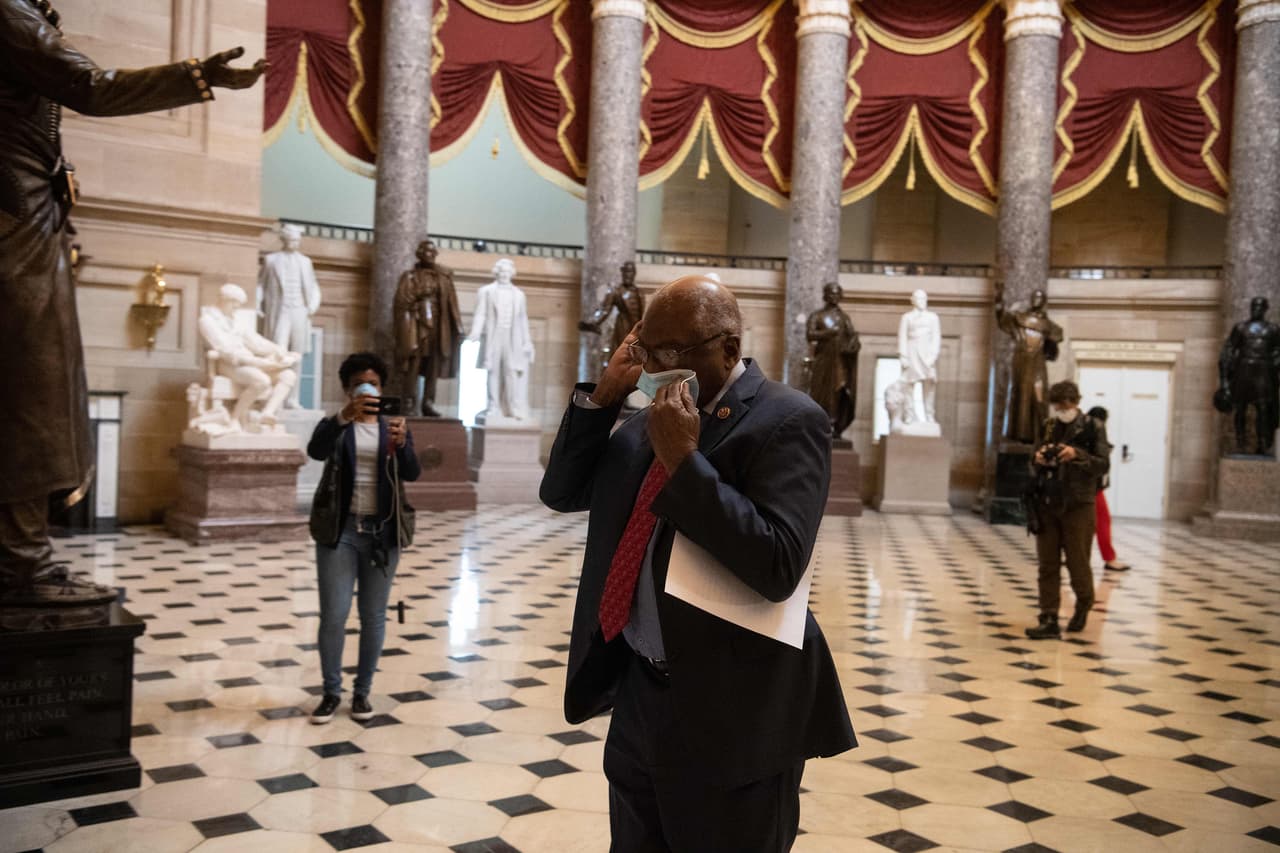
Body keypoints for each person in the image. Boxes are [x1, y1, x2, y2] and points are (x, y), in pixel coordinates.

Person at [541, 275, 855, 851]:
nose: (654, 365)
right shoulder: (644, 420)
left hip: (735, 714)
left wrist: (685, 462)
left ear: (728, 347)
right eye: (643, 346)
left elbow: (778, 563)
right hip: (640, 694)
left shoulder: (788, 419)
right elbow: (561, 492)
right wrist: (607, 394)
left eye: (668, 352)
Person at [0, 0, 265, 608]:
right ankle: (20, 564)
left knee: (32, 392)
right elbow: (91, 86)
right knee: (30, 398)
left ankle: (20, 558)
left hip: (29, 223)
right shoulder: (11, 15)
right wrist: (197, 76)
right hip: (17, 228)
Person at [306, 352, 421, 723]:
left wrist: (403, 445)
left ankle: (362, 693)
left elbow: (413, 473)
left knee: (373, 616)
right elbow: (315, 450)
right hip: (340, 533)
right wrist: (343, 417)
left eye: (373, 383)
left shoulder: (394, 426)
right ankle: (330, 691)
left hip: (381, 535)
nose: (367, 389)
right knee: (334, 615)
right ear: (347, 389)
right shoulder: (337, 426)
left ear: (383, 388)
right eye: (358, 384)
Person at [1025, 382, 1111, 640]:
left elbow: (1102, 464)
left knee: (1077, 561)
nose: (1062, 410)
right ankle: (1048, 616)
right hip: (1048, 501)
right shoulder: (1049, 426)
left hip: (1079, 504)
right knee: (1047, 563)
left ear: (1076, 401)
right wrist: (1038, 457)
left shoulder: (1093, 426)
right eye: (1057, 405)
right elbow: (1033, 455)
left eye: (1066, 404)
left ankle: (1083, 603)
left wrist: (1076, 454)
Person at [198, 283, 299, 430]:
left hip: (249, 362)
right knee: (261, 380)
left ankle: (267, 413)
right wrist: (259, 362)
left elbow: (256, 342)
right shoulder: (207, 321)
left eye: (239, 303)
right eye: (234, 302)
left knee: (288, 375)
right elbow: (225, 349)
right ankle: (234, 418)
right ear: (223, 299)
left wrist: (280, 351)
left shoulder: (237, 320)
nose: (237, 307)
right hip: (228, 364)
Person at [393, 239, 462, 416]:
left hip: (439, 325)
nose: (430, 255)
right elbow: (401, 302)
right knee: (414, 364)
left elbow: (452, 305)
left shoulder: (443, 277)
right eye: (426, 252)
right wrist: (418, 296)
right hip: (417, 324)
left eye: (433, 252)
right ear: (419, 254)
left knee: (433, 366)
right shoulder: (410, 276)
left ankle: (428, 403)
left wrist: (459, 327)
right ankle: (409, 402)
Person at [258, 223, 321, 406]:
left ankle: (292, 398)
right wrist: (257, 305)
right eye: (292, 240)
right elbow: (260, 285)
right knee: (278, 352)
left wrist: (312, 305)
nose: (295, 243)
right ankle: (274, 398)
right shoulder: (271, 260)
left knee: (296, 355)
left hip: (299, 310)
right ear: (284, 240)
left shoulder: (305, 262)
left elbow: (313, 286)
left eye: (297, 240)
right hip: (280, 310)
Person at [995, 284, 1063, 445]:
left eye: (1039, 297)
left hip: (1038, 364)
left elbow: (1053, 351)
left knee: (1038, 398)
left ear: (1044, 301)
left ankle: (1040, 437)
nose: (1036, 300)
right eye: (1034, 297)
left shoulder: (1051, 326)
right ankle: (1017, 434)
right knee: (1019, 396)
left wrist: (1050, 345)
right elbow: (1002, 319)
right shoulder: (1019, 318)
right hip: (1021, 362)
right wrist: (999, 302)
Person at [469, 258, 535, 422]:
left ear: (511, 274)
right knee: (493, 371)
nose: (504, 275)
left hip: (513, 337)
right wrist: (476, 331)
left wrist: (527, 341)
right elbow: (481, 313)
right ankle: (493, 406)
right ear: (496, 273)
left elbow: (522, 319)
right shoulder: (486, 291)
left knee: (511, 371)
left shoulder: (519, 295)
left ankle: (513, 406)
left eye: (507, 272)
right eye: (501, 272)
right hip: (494, 335)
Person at [1216, 296, 1280, 455]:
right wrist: (1224, 381)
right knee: (1240, 407)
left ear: (1265, 309)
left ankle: (1262, 443)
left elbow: (1278, 349)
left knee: (1263, 408)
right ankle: (1240, 442)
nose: (1256, 309)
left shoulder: (1273, 329)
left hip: (1264, 370)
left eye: (1259, 306)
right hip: (1243, 370)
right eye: (1253, 306)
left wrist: (1275, 363)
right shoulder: (1241, 328)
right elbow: (1229, 350)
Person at [805, 281, 860, 439]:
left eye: (837, 293)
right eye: (831, 293)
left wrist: (854, 343)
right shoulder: (817, 315)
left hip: (840, 362)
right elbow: (810, 334)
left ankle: (835, 424)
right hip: (823, 361)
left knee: (839, 391)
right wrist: (828, 333)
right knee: (821, 392)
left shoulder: (844, 318)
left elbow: (852, 337)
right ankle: (820, 423)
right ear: (825, 295)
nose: (834, 296)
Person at [579, 260, 646, 372]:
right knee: (620, 355)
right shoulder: (616, 291)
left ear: (634, 273)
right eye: (625, 271)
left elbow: (643, 314)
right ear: (622, 273)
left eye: (630, 272)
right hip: (622, 328)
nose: (627, 275)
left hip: (637, 331)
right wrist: (593, 323)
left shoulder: (639, 292)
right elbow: (604, 310)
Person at [1086, 406, 1129, 572]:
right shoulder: (1093, 434)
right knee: (1101, 521)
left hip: (1094, 486)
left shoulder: (1089, 432)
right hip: (1092, 487)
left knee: (1093, 523)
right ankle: (1109, 558)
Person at [898, 288, 941, 424]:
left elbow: (936, 338)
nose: (922, 301)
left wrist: (933, 356)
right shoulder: (907, 317)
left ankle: (929, 415)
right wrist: (903, 356)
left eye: (924, 298)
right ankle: (909, 414)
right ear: (913, 300)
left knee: (929, 386)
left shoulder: (933, 317)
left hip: (927, 353)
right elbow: (902, 337)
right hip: (911, 351)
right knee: (908, 385)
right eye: (919, 298)